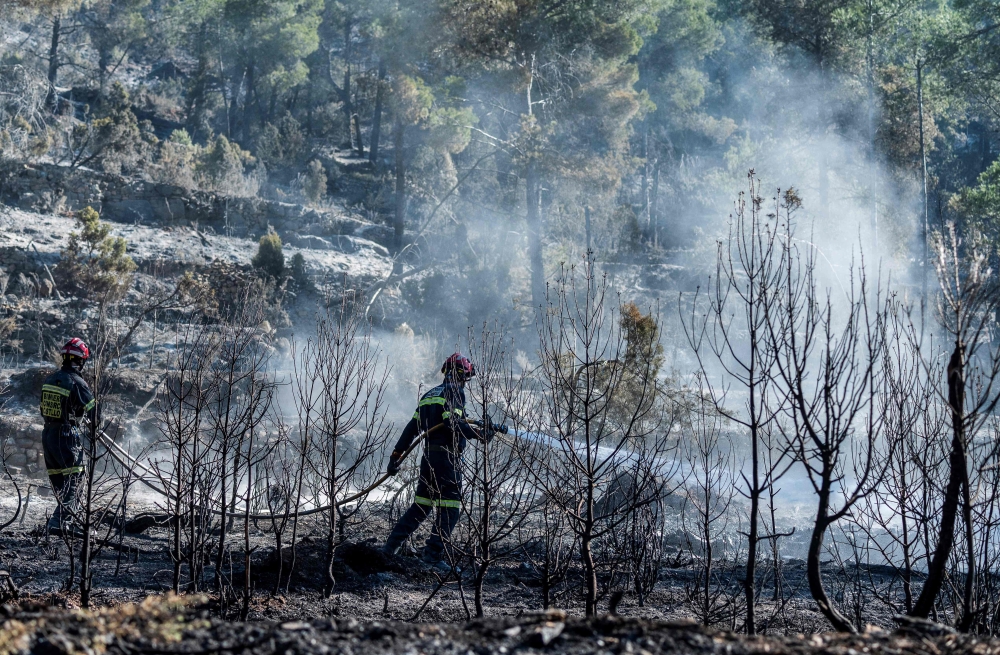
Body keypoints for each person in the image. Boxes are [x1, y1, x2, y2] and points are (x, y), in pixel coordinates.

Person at [382, 353, 486, 572]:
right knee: (450, 508)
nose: (465, 382)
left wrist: (395, 456)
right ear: (460, 374)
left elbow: (412, 428)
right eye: (466, 377)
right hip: (447, 460)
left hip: (428, 459)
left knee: (421, 506)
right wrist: (479, 434)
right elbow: (453, 425)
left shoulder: (430, 394)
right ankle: (432, 555)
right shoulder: (454, 391)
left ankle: (388, 550)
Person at [39, 338, 97, 534]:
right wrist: (95, 427)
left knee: (60, 481)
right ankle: (59, 521)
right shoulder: (77, 382)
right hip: (66, 435)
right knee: (76, 477)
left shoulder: (50, 379)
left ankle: (68, 522)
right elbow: (94, 411)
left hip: (48, 435)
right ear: (80, 361)